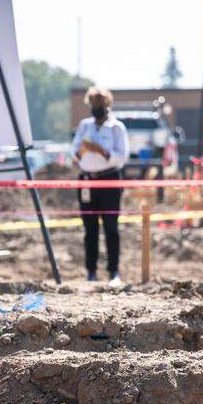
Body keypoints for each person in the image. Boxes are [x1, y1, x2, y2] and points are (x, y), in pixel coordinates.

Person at [71, 87, 129, 286]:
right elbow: (74, 155)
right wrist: (83, 150)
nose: (96, 109)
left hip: (109, 180)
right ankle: (91, 272)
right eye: (93, 105)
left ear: (107, 105)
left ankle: (114, 271)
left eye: (99, 105)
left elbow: (122, 157)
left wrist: (102, 152)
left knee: (111, 227)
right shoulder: (84, 126)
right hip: (87, 181)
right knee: (90, 229)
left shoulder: (116, 128)